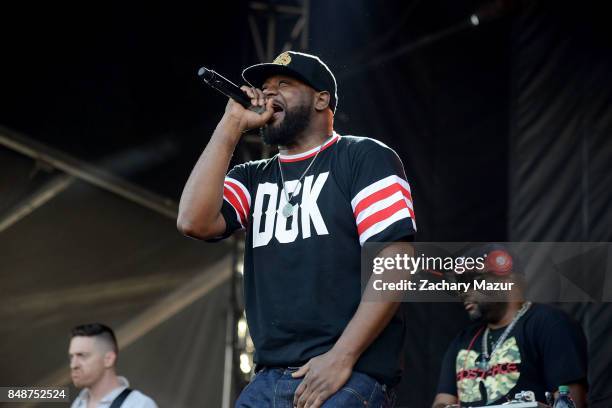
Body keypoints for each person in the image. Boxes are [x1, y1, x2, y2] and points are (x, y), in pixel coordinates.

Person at [177, 51, 417, 407]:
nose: (269, 95)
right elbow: (193, 221)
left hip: (347, 372)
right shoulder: (253, 176)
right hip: (268, 377)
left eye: (284, 85)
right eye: (264, 88)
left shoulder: (362, 157)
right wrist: (231, 125)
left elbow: (396, 264)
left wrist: (342, 357)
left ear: (322, 99)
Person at [432, 246, 588, 408]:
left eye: (473, 281)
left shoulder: (549, 323)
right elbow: (442, 401)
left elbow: (570, 401)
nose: (463, 292)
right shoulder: (463, 340)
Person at [69, 323, 158, 408]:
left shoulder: (139, 405)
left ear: (108, 359)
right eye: (72, 357)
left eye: (82, 355)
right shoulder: (78, 404)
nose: (73, 365)